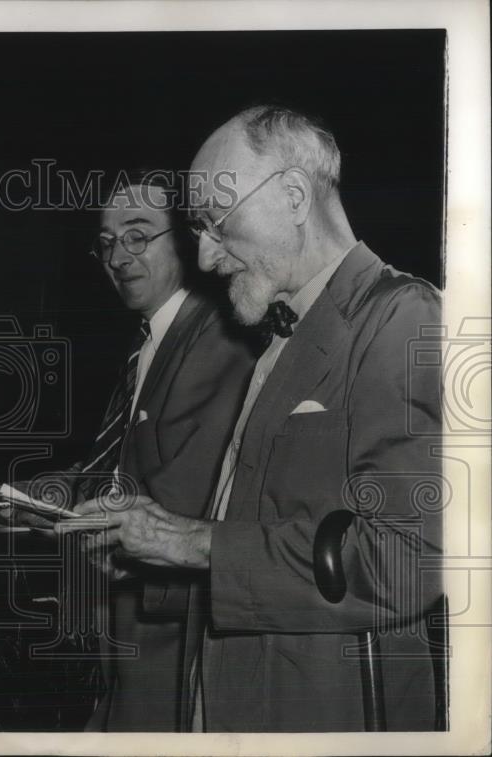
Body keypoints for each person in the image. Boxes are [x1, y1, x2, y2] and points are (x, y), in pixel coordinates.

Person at [64, 106, 443, 731]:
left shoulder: (403, 317)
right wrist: (161, 535)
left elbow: (409, 558)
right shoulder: (276, 336)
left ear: (293, 196)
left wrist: (194, 541)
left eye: (218, 224)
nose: (207, 259)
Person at [0, 173, 257, 730]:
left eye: (138, 236)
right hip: (129, 633)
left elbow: (167, 501)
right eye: (107, 243)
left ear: (185, 239)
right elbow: (105, 475)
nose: (118, 256)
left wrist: (22, 513)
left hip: (168, 634)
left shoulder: (213, 338)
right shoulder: (152, 342)